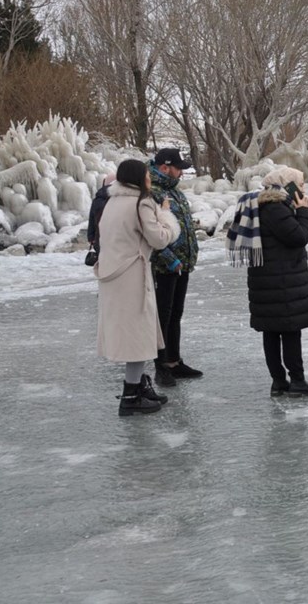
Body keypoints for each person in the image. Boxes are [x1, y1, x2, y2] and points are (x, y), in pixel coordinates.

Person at [226, 166, 308, 396]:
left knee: (272, 332)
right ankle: (296, 380)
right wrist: (304, 211)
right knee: (289, 331)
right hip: (281, 281)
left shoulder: (264, 206)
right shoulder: (276, 208)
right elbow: (299, 237)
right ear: (286, 185)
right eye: (299, 184)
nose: (302, 189)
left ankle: (279, 381)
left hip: (268, 281)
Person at [95, 159, 180, 416]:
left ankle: (138, 385)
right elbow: (160, 238)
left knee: (136, 332)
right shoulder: (140, 202)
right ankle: (131, 395)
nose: (149, 178)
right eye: (146, 174)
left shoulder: (112, 201)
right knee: (138, 335)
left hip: (113, 275)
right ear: (137, 177)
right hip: (132, 276)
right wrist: (165, 214)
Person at [149, 148, 203, 385]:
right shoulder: (152, 193)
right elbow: (152, 233)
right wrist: (170, 258)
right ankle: (160, 365)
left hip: (182, 263)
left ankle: (174, 360)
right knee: (162, 315)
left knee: (176, 313)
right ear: (164, 167)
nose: (181, 172)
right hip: (164, 265)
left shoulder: (174, 191)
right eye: (178, 167)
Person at [86, 173, 116, 253]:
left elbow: (92, 219)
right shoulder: (119, 198)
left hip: (99, 237)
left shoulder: (97, 199)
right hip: (116, 239)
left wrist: (91, 238)